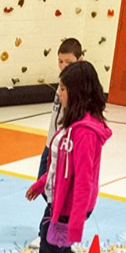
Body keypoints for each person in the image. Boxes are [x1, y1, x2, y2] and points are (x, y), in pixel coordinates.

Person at [23, 61, 113, 253]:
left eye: (62, 88)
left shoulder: (84, 132)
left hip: (67, 206)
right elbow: (57, 166)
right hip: (58, 201)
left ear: (76, 92)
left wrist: (73, 222)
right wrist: (40, 185)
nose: (58, 93)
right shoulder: (72, 124)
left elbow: (84, 179)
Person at [37, 38, 82, 179]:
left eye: (69, 62)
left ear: (80, 60)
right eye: (60, 61)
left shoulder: (79, 87)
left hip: (64, 146)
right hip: (50, 143)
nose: (64, 66)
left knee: (56, 185)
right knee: (42, 181)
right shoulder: (62, 82)